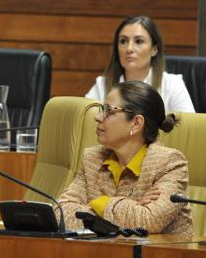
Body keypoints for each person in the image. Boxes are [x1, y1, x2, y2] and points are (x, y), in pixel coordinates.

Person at [59, 80, 193, 236]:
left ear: (136, 123)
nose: (97, 117)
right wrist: (132, 206)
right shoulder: (93, 158)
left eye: (108, 110)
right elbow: (60, 213)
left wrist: (99, 203)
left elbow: (148, 222)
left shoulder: (170, 164)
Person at [86, 15, 195, 113]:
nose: (129, 49)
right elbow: (83, 121)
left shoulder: (172, 85)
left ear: (154, 49)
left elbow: (190, 129)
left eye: (138, 41)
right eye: (123, 41)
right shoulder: (102, 85)